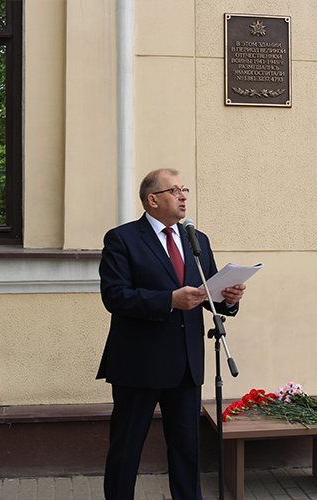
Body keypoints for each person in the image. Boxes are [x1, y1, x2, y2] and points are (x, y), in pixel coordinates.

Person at [97, 168, 246, 500]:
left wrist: (228, 299)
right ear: (152, 200)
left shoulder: (197, 239)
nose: (183, 196)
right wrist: (169, 300)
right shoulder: (122, 239)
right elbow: (115, 296)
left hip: (186, 364)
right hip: (139, 364)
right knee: (126, 450)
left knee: (187, 450)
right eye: (174, 190)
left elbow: (208, 290)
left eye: (184, 190)